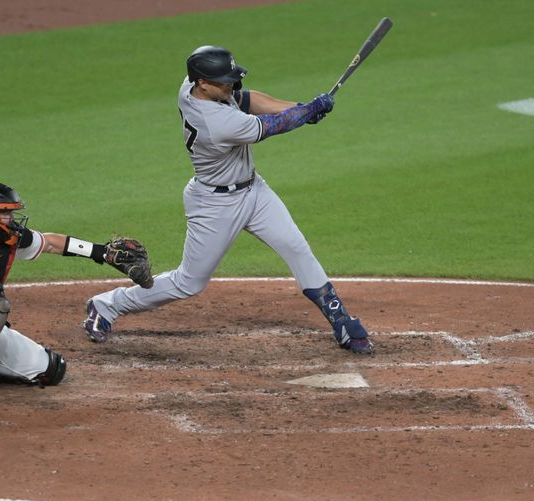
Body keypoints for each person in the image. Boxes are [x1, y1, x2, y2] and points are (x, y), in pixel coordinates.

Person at [83, 45, 374, 354]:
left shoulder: (196, 86)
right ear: (203, 83)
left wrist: (300, 108)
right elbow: (272, 126)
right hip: (214, 205)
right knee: (189, 283)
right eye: (224, 81)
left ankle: (340, 321)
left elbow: (246, 100)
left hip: (254, 191)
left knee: (297, 247)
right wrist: (305, 113)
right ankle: (106, 305)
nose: (231, 86)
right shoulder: (215, 122)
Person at [0, 180, 150, 400]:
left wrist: (102, 252)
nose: (12, 219)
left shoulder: (10, 238)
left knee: (52, 369)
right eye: (5, 213)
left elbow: (52, 243)